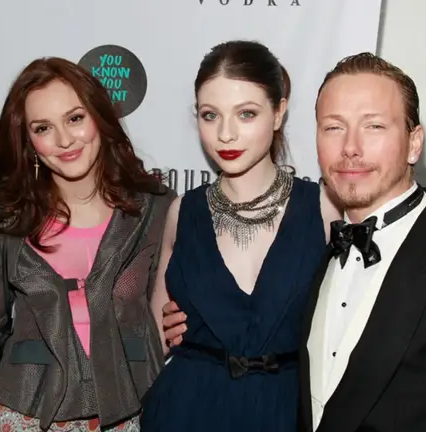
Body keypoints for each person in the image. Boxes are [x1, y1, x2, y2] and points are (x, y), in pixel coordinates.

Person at [165, 52, 426, 431]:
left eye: (374, 126)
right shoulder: (325, 245)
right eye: (333, 127)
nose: (350, 147)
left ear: (414, 144)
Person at [139, 40, 340, 431]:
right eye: (210, 115)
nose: (225, 134)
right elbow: (156, 336)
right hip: (186, 409)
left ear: (278, 113)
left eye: (246, 113)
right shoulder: (182, 212)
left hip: (285, 411)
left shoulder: (324, 208)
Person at [0, 57, 174, 432]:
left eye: (75, 118)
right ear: (28, 141)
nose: (65, 140)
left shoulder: (155, 210)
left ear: (98, 117)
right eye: (43, 128)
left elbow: (162, 319)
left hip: (128, 408)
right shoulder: (3, 220)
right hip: (26, 412)